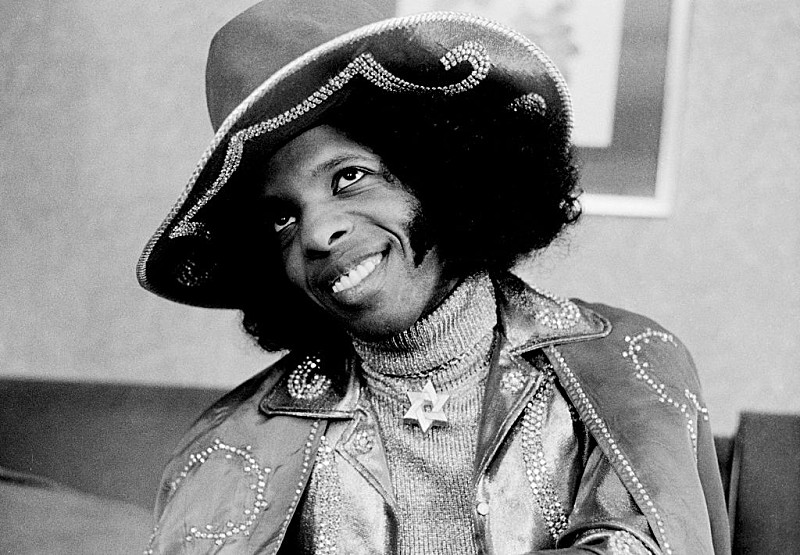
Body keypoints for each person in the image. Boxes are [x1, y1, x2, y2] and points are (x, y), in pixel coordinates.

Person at [137, 1, 730, 553]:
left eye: (349, 177)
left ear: (442, 173)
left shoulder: (628, 371)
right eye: (281, 218)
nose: (316, 233)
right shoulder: (228, 454)